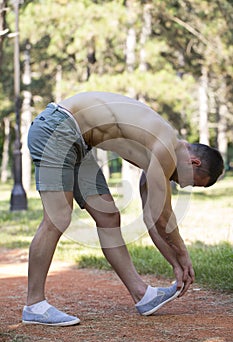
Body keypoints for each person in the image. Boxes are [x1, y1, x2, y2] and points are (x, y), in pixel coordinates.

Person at [23, 91, 224, 326]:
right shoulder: (165, 149)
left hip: (78, 143)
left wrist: (176, 264)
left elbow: (152, 219)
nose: (179, 183)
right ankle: (34, 304)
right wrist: (183, 254)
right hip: (58, 128)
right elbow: (163, 217)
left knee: (108, 215)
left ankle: (142, 294)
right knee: (58, 217)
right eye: (188, 181)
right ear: (194, 163)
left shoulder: (153, 156)